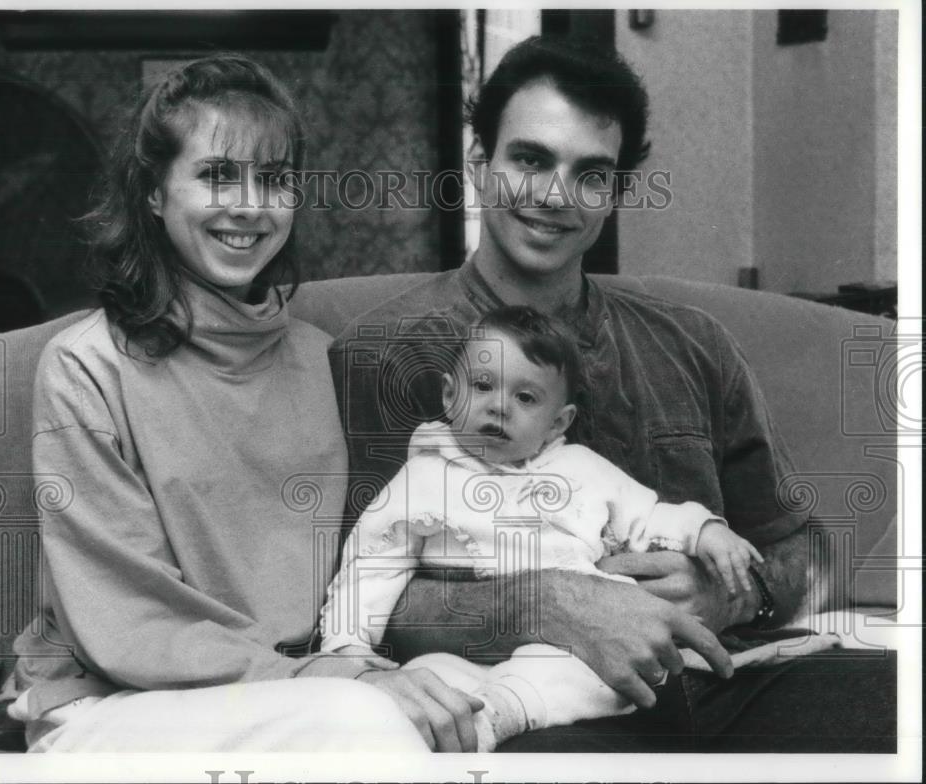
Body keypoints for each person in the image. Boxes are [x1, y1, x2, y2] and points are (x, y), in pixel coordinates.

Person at [328, 37, 896, 752]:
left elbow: (805, 550)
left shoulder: (692, 342)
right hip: (526, 707)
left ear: (618, 192)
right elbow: (367, 597)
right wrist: (554, 603)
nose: (557, 195)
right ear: (478, 167)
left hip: (723, 679)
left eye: (591, 174)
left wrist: (736, 593)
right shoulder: (389, 352)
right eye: (531, 160)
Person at [3, 54, 482, 753]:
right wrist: (326, 678)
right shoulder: (86, 369)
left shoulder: (325, 357)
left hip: (292, 690)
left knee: (461, 696)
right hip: (113, 706)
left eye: (275, 179)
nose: (250, 205)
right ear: (155, 194)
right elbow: (131, 622)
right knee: (364, 721)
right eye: (217, 174)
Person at [321, 305, 795, 752]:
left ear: (557, 422)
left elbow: (648, 516)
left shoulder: (582, 469)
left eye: (525, 398)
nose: (498, 407)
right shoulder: (423, 479)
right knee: (427, 679)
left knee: (581, 675)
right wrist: (346, 645)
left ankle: (503, 716)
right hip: (460, 650)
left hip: (581, 648)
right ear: (449, 395)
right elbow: (372, 562)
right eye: (482, 386)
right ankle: (457, 727)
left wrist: (706, 531)